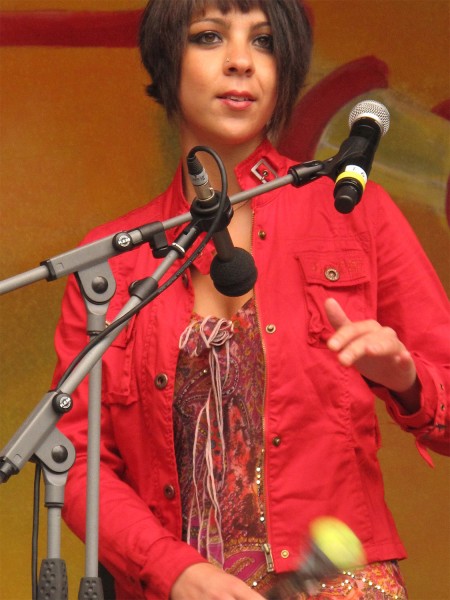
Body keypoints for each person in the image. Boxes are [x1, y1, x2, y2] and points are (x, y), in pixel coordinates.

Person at [53, 0, 450, 599]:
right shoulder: (111, 261)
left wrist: (406, 377)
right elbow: (76, 460)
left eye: (263, 42)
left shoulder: (351, 211)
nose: (241, 62)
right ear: (167, 61)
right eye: (210, 37)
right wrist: (175, 570)